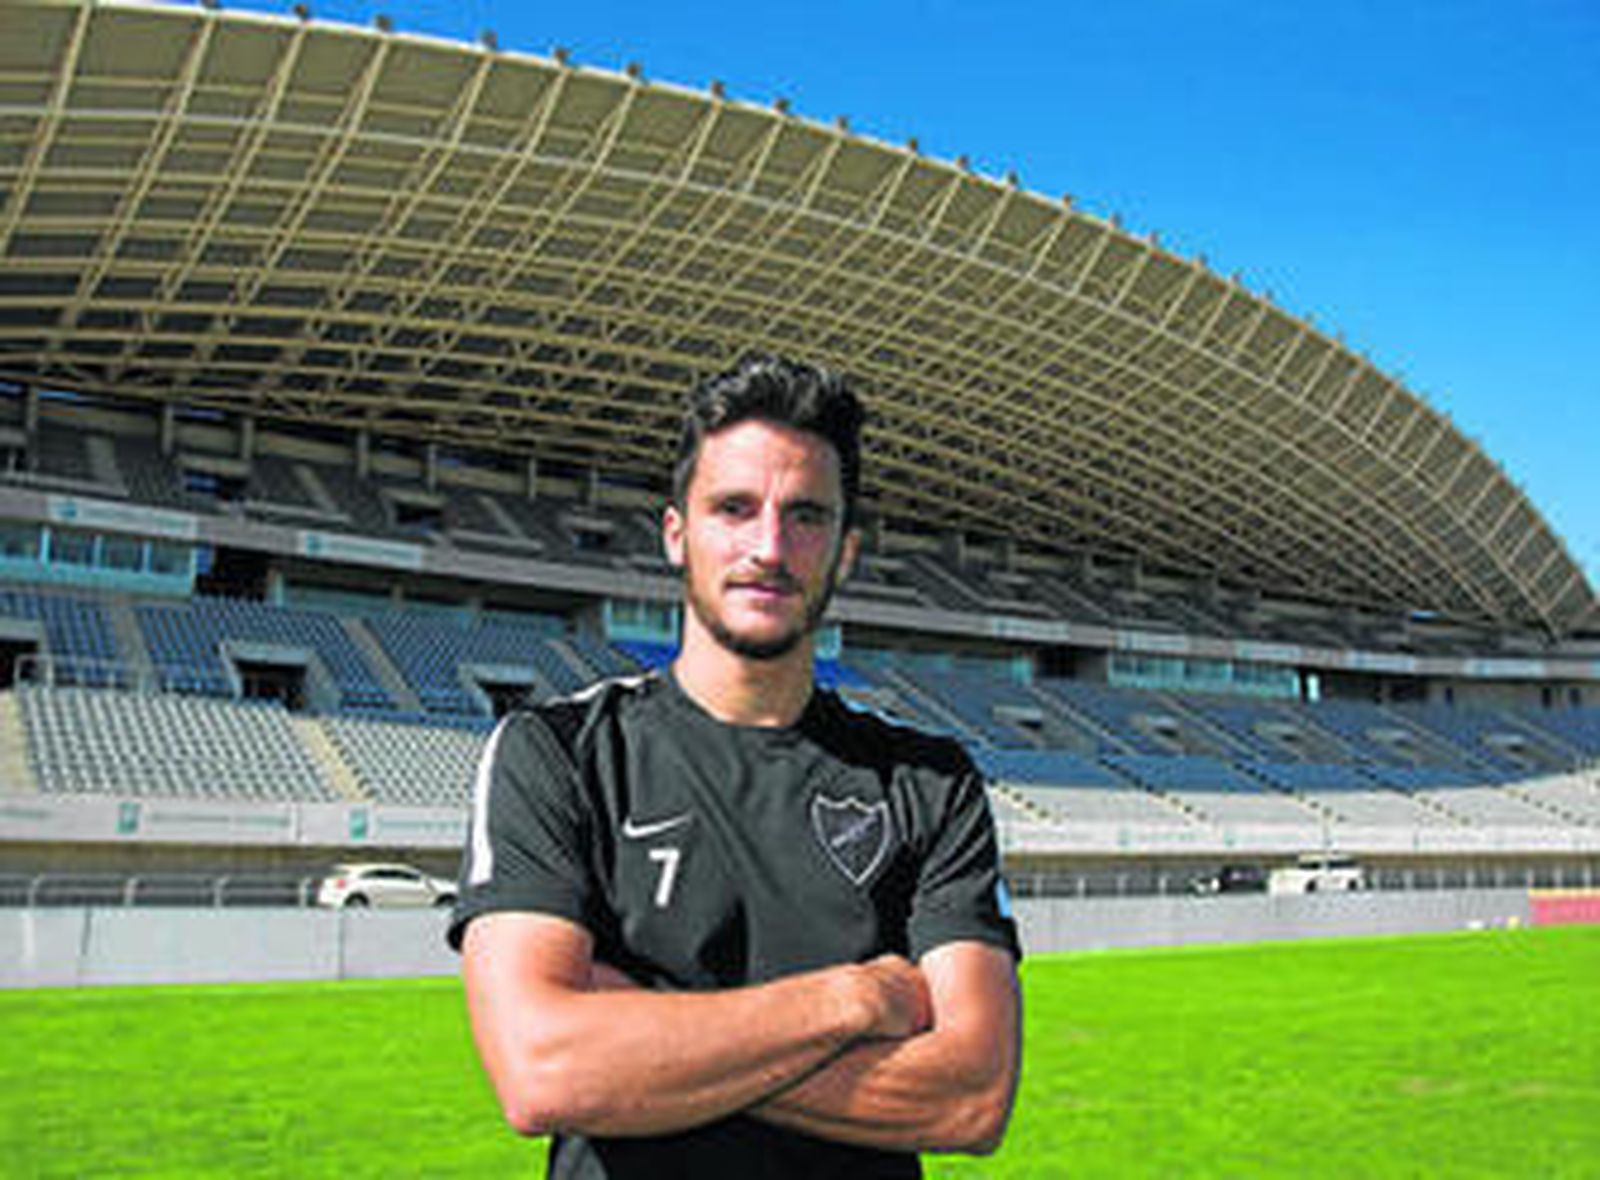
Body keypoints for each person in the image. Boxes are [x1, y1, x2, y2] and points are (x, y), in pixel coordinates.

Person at [448, 354, 1022, 1178]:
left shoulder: (930, 782)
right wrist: (854, 999)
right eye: (733, 508)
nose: (769, 547)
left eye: (806, 516)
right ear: (676, 533)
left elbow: (970, 1097)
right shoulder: (557, 753)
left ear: (846, 552)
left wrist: (645, 1039)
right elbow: (543, 1070)